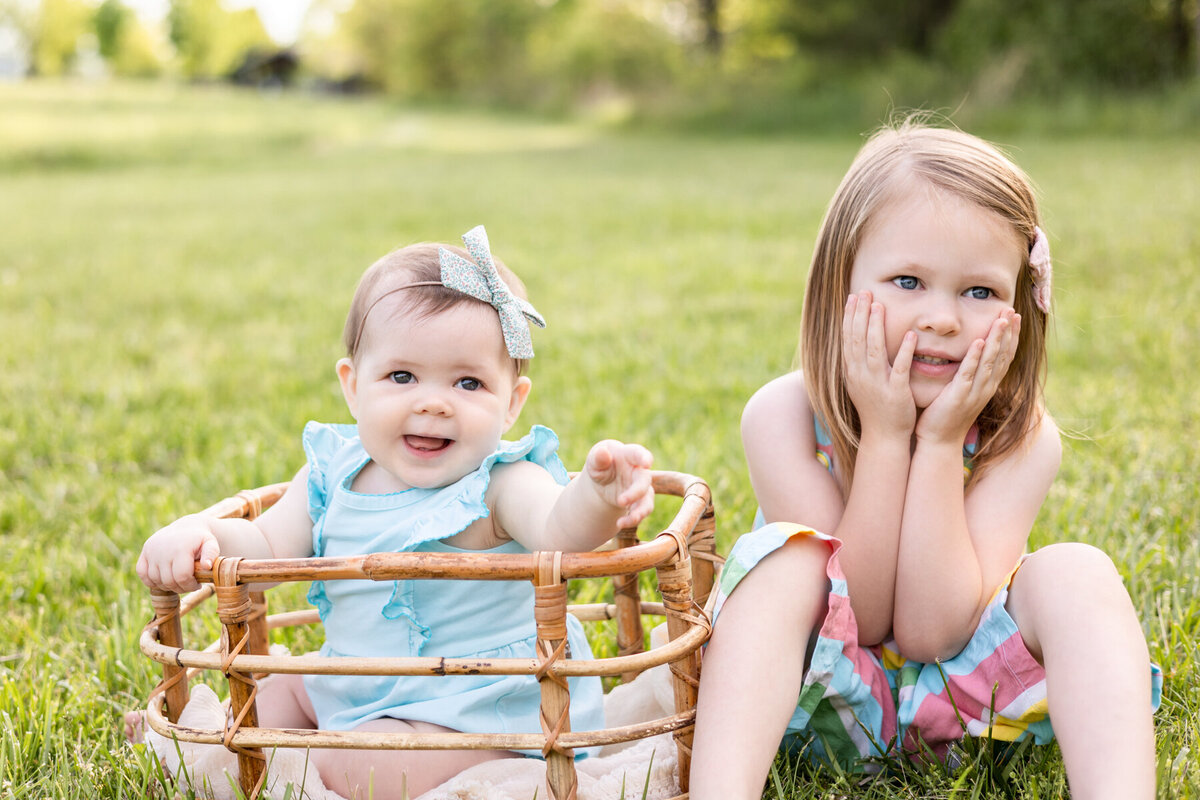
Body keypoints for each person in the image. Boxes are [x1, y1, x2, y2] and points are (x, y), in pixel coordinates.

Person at [690, 120, 1161, 799]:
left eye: (980, 293)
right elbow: (864, 613)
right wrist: (885, 436)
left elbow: (932, 631)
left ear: (1021, 308)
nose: (942, 319)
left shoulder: (1020, 438)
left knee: (1076, 572)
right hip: (817, 696)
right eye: (908, 281)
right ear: (838, 286)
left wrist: (940, 443)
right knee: (785, 560)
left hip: (965, 709)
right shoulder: (783, 416)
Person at [132, 226, 655, 799]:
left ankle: (495, 770)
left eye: (468, 381)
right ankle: (203, 749)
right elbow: (263, 547)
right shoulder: (332, 476)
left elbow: (560, 529)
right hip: (354, 685)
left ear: (512, 402)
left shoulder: (501, 484)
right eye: (402, 376)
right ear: (354, 388)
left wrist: (598, 499)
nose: (432, 401)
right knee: (266, 697)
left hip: (476, 709)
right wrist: (202, 532)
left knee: (367, 764)